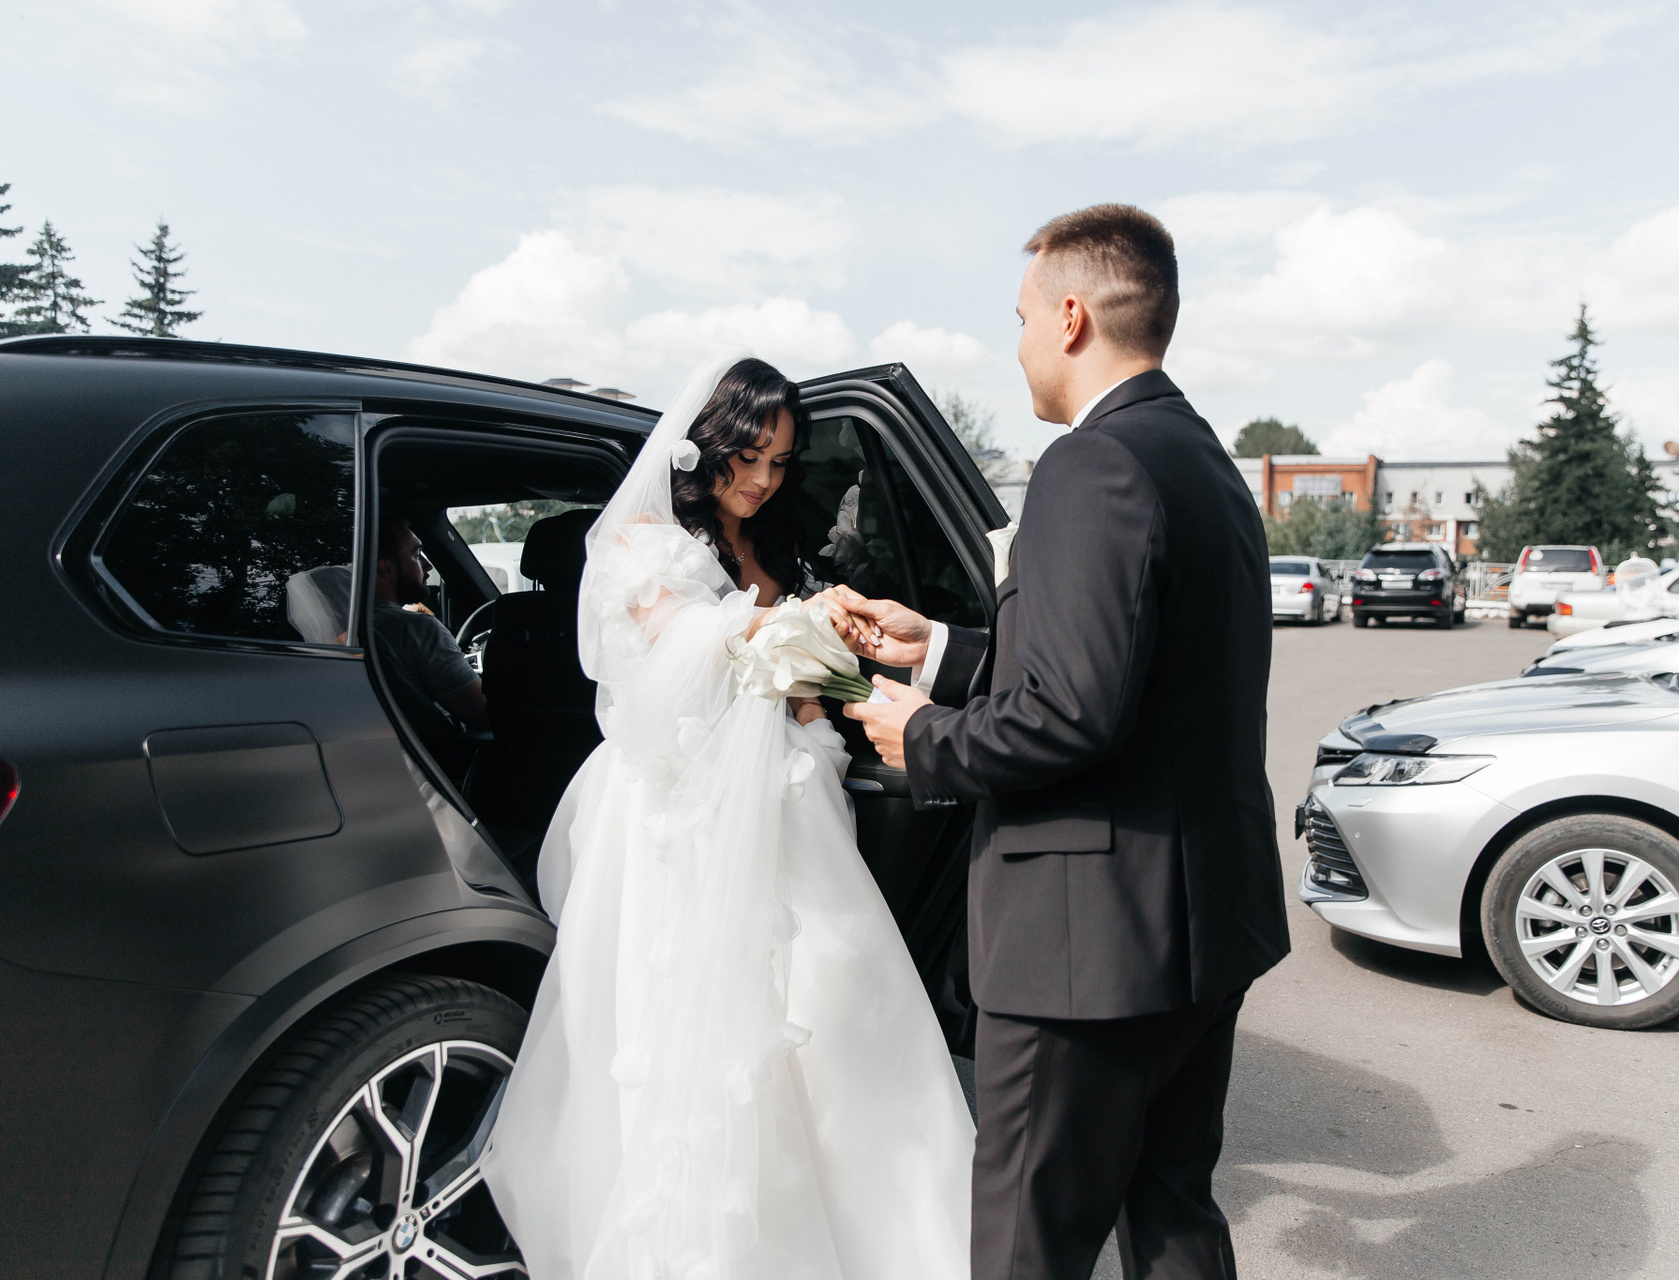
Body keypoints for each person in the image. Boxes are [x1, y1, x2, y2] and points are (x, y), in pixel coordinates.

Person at [839, 205, 1289, 1280]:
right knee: (1173, 1215)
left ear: (1072, 316)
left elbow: (1073, 711)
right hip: (1199, 925)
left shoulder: (1092, 464)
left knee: (1024, 1246)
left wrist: (922, 735)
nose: (1020, 344)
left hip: (1086, 951)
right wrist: (942, 648)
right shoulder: (1204, 462)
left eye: (1022, 318)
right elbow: (1137, 667)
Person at [486, 356, 972, 1280]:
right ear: (705, 447)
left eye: (780, 463)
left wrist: (822, 703)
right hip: (676, 815)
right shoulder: (641, 544)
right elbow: (680, 647)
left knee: (832, 1001)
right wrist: (791, 624)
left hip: (785, 798)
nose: (761, 480)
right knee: (685, 1023)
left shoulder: (772, 545)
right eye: (747, 457)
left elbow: (794, 685)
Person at [373, 517, 489, 732]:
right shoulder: (415, 628)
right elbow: (485, 715)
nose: (428, 565)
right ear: (387, 568)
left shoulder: (350, 626)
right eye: (416, 555)